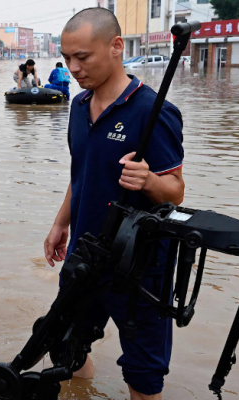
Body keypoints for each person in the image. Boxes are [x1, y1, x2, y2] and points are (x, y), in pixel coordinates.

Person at [43, 8, 184, 400]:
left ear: (116, 47)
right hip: (84, 253)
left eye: (83, 57)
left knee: (142, 375)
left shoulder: (153, 112)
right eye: (67, 57)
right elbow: (80, 174)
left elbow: (176, 190)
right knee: (66, 345)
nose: (73, 67)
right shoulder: (77, 107)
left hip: (138, 265)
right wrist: (60, 224)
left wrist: (151, 181)